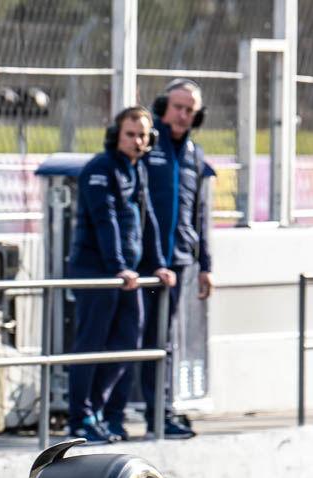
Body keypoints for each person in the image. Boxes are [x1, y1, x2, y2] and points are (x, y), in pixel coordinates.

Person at [103, 79, 214, 440]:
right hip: (141, 263)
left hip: (177, 261)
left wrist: (205, 264)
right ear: (164, 105)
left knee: (162, 342)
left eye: (190, 110)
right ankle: (111, 415)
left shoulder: (195, 155)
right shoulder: (147, 145)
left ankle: (159, 414)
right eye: (178, 107)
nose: (183, 115)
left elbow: (199, 212)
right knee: (127, 339)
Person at [65, 106, 176, 444]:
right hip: (98, 271)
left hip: (125, 274)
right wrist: (118, 266)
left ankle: (99, 412)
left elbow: (148, 220)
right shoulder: (100, 169)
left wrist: (157, 263)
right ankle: (80, 417)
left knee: (128, 342)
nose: (137, 141)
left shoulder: (137, 170)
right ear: (116, 135)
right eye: (130, 134)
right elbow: (105, 219)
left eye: (143, 135)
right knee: (92, 344)